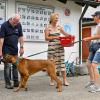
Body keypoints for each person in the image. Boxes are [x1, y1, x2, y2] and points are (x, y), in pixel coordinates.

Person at [44, 12, 72, 86]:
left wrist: (70, 36)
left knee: (62, 64)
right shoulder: (47, 28)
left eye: (57, 18)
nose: (57, 19)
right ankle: (52, 80)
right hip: (51, 49)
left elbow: (66, 34)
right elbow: (46, 38)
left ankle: (65, 80)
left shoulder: (59, 27)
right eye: (56, 18)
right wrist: (55, 37)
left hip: (60, 48)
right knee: (52, 65)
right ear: (52, 19)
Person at [0, 14, 24, 89]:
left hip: (15, 49)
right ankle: (8, 83)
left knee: (15, 66)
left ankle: (16, 82)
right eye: (15, 22)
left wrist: (21, 47)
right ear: (11, 19)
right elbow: (1, 39)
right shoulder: (4, 25)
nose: (16, 24)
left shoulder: (18, 25)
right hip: (6, 49)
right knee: (7, 66)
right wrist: (0, 51)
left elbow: (21, 36)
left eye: (17, 22)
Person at [83, 11, 100, 93]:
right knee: (88, 63)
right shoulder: (97, 25)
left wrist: (88, 38)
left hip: (99, 46)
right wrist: (90, 41)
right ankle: (92, 81)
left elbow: (99, 36)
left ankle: (97, 86)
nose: (93, 17)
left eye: (94, 16)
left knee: (94, 65)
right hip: (94, 46)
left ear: (98, 16)